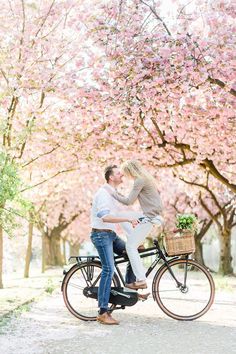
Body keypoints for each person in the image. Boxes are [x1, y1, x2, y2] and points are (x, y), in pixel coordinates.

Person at [90, 165, 138, 325]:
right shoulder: (103, 194)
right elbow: (105, 217)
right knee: (108, 269)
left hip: (110, 234)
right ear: (111, 177)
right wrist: (127, 220)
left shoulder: (113, 194)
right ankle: (103, 312)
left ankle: (129, 285)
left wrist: (134, 234)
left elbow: (120, 214)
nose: (122, 174)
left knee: (132, 251)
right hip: (101, 234)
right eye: (118, 173)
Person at [106, 160, 163, 290]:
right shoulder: (145, 178)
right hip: (151, 215)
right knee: (122, 216)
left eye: (125, 173)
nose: (125, 176)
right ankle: (140, 243)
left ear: (130, 171)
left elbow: (129, 201)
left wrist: (113, 194)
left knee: (130, 246)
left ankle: (141, 279)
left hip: (150, 217)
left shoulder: (139, 180)